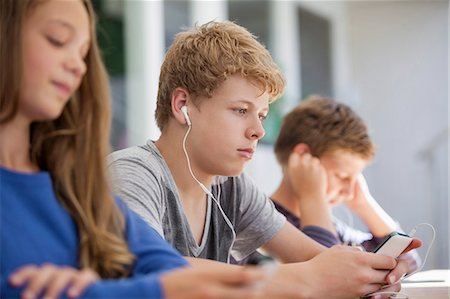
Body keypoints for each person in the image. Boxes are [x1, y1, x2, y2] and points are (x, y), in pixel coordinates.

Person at [108, 21, 421, 298]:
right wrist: (307, 279)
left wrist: (370, 272)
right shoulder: (132, 173)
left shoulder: (231, 187)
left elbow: (315, 259)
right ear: (182, 105)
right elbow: (147, 270)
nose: (258, 130)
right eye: (241, 111)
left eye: (261, 115)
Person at [0, 1, 267, 298]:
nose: (78, 66)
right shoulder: (130, 172)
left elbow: (165, 268)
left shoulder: (78, 186)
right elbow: (169, 282)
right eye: (57, 40)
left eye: (83, 53)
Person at [242, 95, 420, 271]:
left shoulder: (333, 228)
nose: (350, 192)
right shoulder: (262, 221)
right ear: (304, 157)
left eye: (356, 178)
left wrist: (364, 204)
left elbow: (409, 259)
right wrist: (312, 196)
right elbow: (331, 276)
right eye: (342, 176)